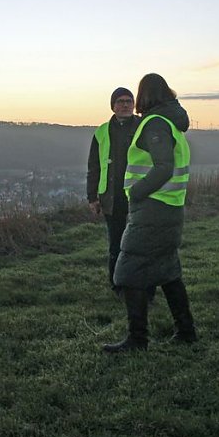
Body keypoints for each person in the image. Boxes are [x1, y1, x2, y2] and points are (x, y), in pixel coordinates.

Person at [103, 73, 196, 352]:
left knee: (127, 271)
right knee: (168, 270)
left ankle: (137, 339)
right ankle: (186, 331)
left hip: (153, 209)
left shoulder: (156, 123)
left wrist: (136, 193)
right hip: (169, 208)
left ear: (146, 95)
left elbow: (163, 166)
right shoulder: (171, 121)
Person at [86, 88, 141, 293]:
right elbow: (94, 166)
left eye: (129, 101)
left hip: (140, 195)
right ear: (113, 105)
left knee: (139, 244)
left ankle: (141, 284)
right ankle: (117, 285)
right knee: (115, 245)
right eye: (120, 101)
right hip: (112, 197)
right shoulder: (101, 132)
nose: (125, 105)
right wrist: (92, 197)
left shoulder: (144, 127)